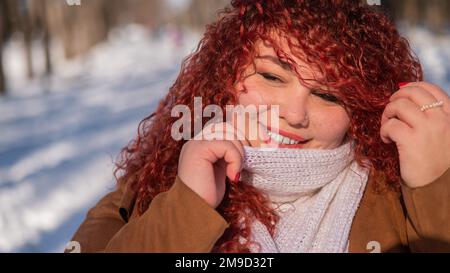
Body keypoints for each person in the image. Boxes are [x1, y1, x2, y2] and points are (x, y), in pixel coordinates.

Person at [67, 0, 450, 253]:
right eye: (272, 76)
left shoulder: (397, 192)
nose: (295, 114)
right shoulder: (151, 185)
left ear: (362, 110)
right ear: (226, 73)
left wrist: (435, 187)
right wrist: (187, 205)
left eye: (330, 96)